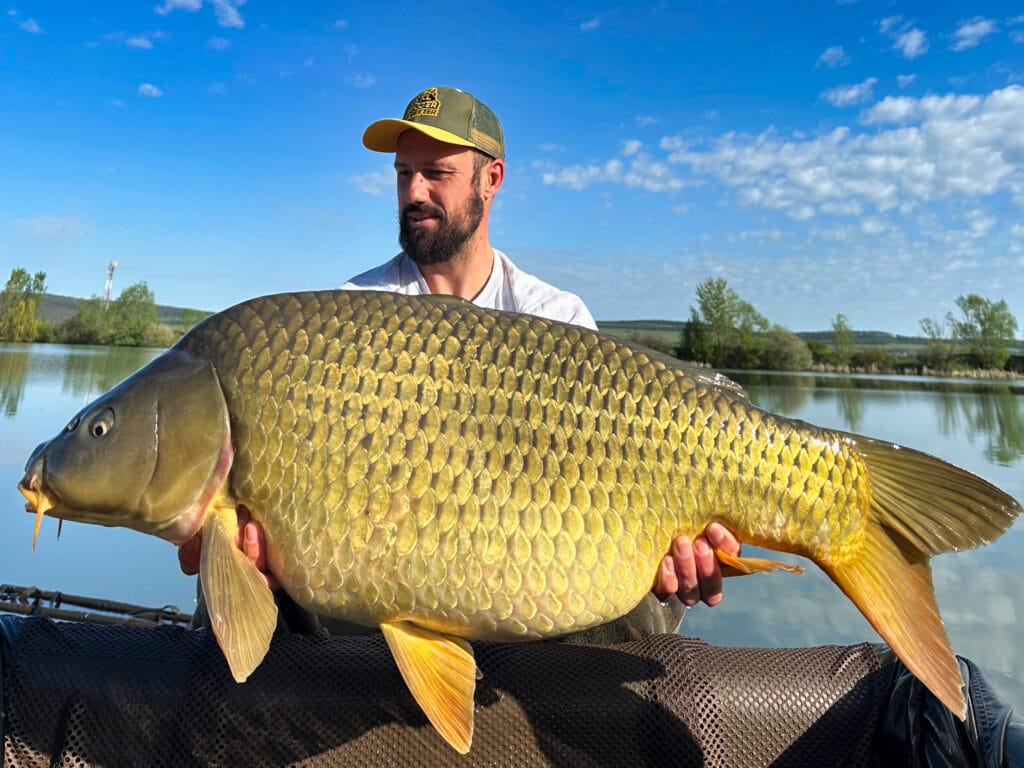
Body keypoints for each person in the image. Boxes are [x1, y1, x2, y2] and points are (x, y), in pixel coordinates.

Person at [178, 85, 741, 638]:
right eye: (403, 174)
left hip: (528, 582)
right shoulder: (354, 315)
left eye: (436, 174)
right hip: (387, 579)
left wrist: (683, 551)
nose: (414, 192)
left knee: (632, 599)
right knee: (257, 577)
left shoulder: (556, 317)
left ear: (491, 180)